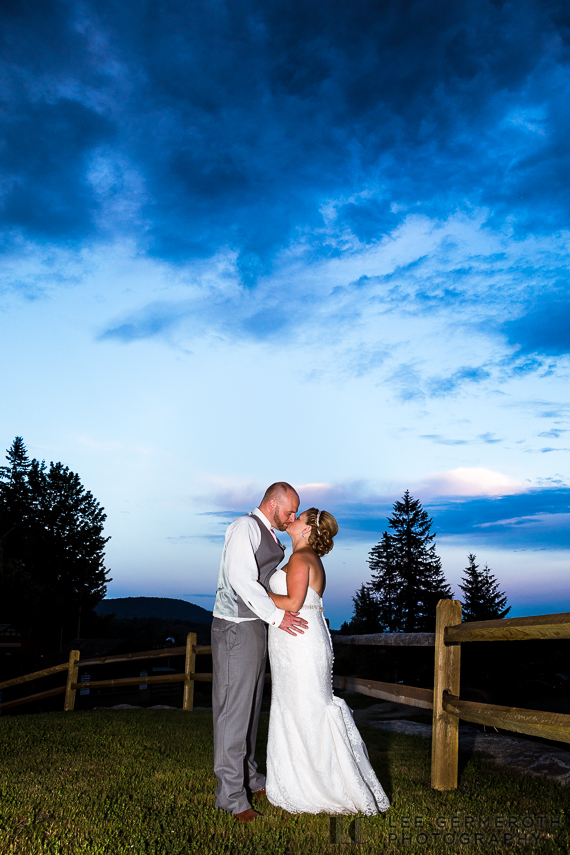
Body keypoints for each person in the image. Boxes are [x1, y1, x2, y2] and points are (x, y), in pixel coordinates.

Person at [265, 507, 390, 815]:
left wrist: (253, 593)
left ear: (306, 530)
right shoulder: (309, 560)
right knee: (303, 707)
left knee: (303, 709)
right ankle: (311, 779)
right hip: (302, 641)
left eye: (298, 517)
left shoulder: (299, 559)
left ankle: (319, 787)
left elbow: (293, 603)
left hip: (299, 644)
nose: (291, 520)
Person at [211, 482, 308, 823]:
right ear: (271, 503)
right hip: (235, 626)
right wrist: (277, 616)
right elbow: (241, 579)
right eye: (289, 511)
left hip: (253, 625)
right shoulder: (244, 527)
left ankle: (250, 776)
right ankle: (231, 797)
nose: (292, 517)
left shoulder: (267, 532)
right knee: (233, 711)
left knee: (250, 707)